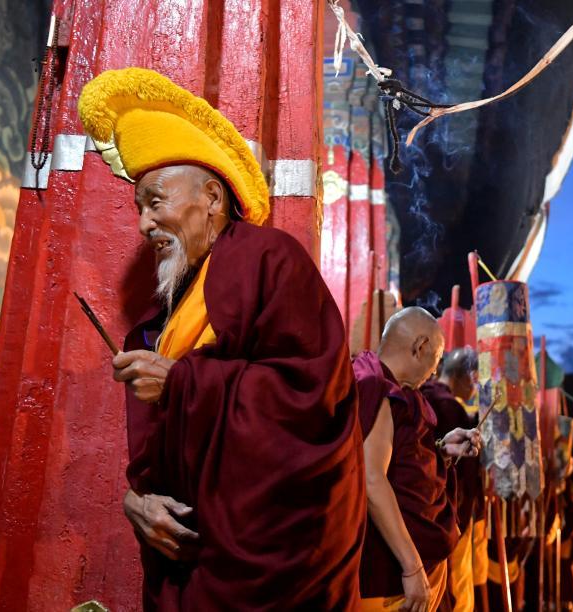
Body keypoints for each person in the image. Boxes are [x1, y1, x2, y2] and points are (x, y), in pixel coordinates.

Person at [78, 67, 365, 610]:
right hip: (186, 563)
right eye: (138, 207)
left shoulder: (266, 259)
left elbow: (310, 400)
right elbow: (155, 451)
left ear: (212, 197)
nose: (143, 224)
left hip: (272, 560)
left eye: (156, 201)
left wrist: (184, 382)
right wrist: (135, 502)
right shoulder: (163, 315)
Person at [353, 307, 482, 612]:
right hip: (391, 571)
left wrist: (439, 449)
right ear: (420, 346)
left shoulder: (390, 388)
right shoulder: (374, 385)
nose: (433, 373)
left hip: (408, 562)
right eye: (435, 361)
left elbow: (398, 455)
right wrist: (411, 567)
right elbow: (372, 478)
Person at [421, 347, 486, 612]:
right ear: (463, 376)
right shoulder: (450, 408)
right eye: (474, 379)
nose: (474, 388)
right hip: (449, 512)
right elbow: (464, 476)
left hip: (424, 508)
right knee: (453, 589)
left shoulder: (422, 397)